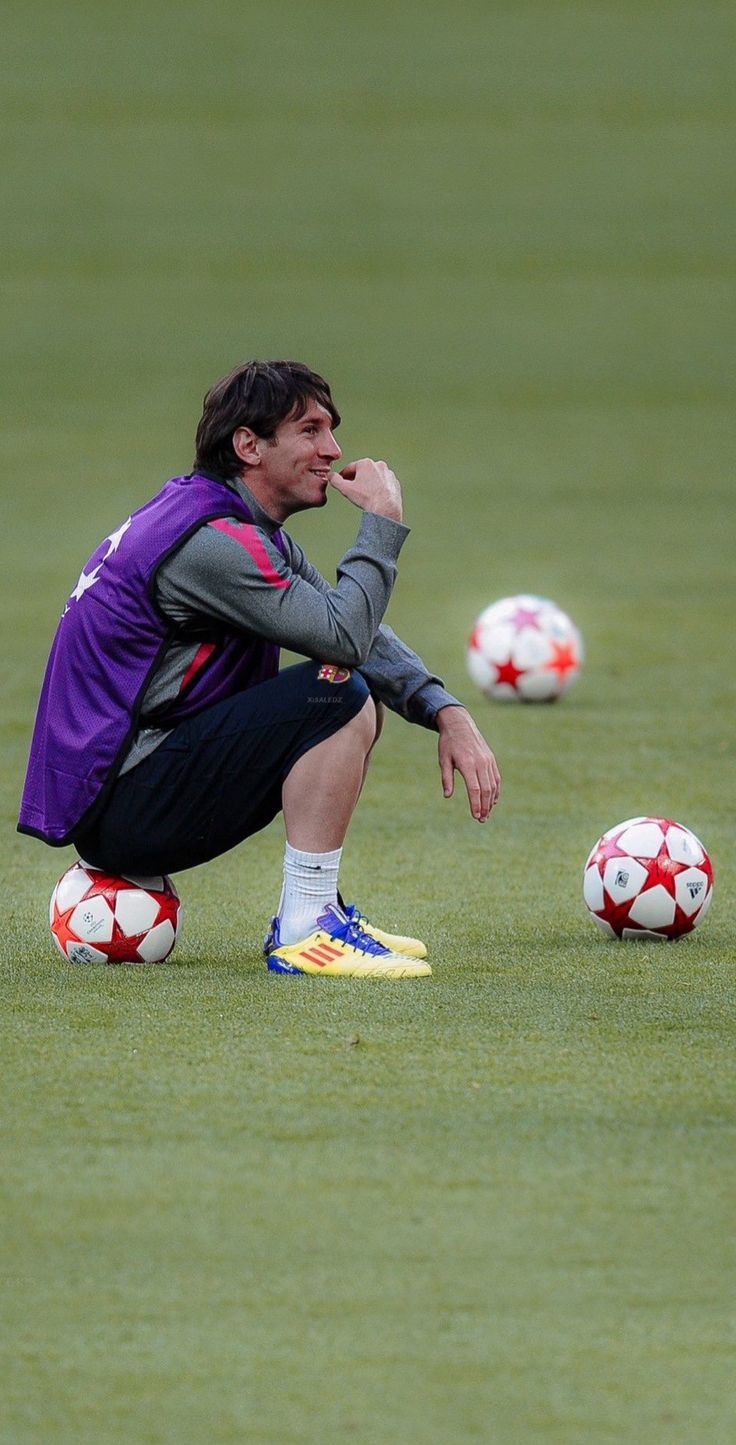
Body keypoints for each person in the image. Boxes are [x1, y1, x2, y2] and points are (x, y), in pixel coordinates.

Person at [19, 361, 501, 978]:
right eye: (310, 430)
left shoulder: (227, 522)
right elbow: (343, 638)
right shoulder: (212, 540)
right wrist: (381, 526)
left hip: (131, 789)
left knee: (344, 690)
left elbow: (338, 622)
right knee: (337, 694)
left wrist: (445, 710)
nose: (332, 450)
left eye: (331, 430)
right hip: (127, 805)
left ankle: (316, 909)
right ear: (249, 445)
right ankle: (305, 928)